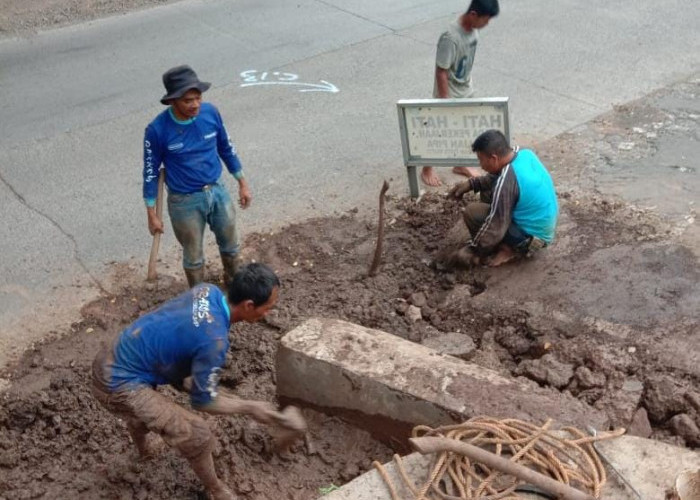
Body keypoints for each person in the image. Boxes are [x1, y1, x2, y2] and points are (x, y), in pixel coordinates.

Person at [91, 263, 306, 500]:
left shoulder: (207, 291)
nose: (268, 314)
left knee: (148, 411)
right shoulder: (214, 341)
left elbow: (182, 334)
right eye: (267, 308)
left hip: (117, 353)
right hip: (117, 383)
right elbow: (202, 403)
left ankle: (144, 452)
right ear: (248, 306)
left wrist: (191, 381)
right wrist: (249, 407)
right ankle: (216, 491)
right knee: (199, 436)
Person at [144, 65, 252, 288]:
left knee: (231, 244)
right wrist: (151, 213)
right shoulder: (157, 130)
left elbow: (226, 147)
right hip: (184, 202)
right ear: (173, 101)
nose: (195, 104)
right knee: (193, 256)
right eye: (187, 100)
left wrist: (242, 182)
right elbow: (150, 172)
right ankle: (198, 297)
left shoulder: (211, 113)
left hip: (217, 191)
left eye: (198, 97)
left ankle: (234, 286)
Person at [447, 129, 558, 267]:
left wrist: (474, 250)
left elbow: (495, 224)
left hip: (530, 239)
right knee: (487, 192)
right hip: (544, 227)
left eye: (481, 160)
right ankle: (508, 243)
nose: (481, 165)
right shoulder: (523, 153)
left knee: (472, 212)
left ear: (494, 158)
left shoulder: (507, 182)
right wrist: (472, 183)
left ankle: (508, 249)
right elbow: (498, 176)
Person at [421, 0, 500, 187]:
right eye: (485, 20)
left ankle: (460, 164)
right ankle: (426, 169)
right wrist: (445, 101)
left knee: (465, 128)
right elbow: (441, 70)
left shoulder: (473, 30)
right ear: (473, 15)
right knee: (439, 131)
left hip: (466, 88)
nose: (486, 24)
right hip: (450, 92)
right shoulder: (450, 37)